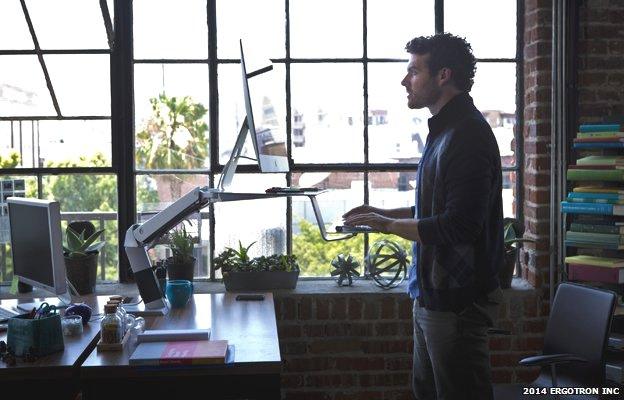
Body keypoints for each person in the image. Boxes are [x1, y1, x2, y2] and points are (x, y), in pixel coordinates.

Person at [343, 33, 504, 400]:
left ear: (443, 75)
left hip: (458, 303)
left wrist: (386, 227)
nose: (405, 81)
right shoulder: (444, 129)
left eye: (414, 71)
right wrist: (378, 212)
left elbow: (460, 225)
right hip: (433, 296)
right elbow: (437, 210)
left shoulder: (467, 134)